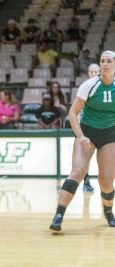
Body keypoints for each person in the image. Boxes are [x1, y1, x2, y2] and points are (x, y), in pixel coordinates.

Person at [49, 51, 115, 233]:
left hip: (109, 135)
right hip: (87, 132)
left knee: (106, 181)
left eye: (109, 61)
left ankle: (108, 211)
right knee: (77, 172)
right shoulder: (89, 85)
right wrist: (80, 136)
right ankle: (59, 215)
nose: (105, 64)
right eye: (102, 61)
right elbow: (72, 113)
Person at [82, 63, 100, 192]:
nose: (93, 74)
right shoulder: (84, 88)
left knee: (105, 157)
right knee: (86, 157)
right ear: (88, 73)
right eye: (91, 72)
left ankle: (105, 181)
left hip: (104, 128)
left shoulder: (105, 87)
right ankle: (86, 181)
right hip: (88, 127)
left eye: (96, 72)